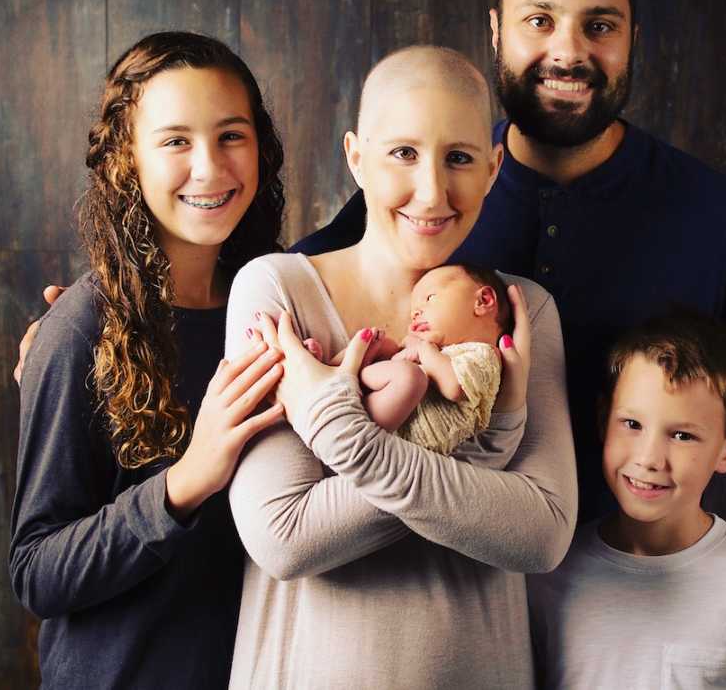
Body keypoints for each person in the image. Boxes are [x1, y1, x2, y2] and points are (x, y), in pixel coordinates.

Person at [293, 0, 726, 685]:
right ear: (497, 31)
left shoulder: (712, 217)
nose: (569, 50)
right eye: (539, 20)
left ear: (633, 38)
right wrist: (121, 308)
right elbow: (301, 279)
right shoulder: (436, 194)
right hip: (450, 604)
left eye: (600, 25)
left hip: (639, 610)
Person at [223, 45, 578, 689]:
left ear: (495, 168)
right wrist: (491, 444)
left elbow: (542, 533)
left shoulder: (520, 310)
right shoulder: (278, 292)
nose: (433, 191)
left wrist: (340, 431)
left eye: (460, 159)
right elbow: (286, 537)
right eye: (403, 154)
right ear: (356, 157)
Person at [9, 32, 287, 689]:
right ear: (126, 159)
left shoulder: (279, 305)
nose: (211, 168)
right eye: (175, 141)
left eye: (231, 135)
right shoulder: (78, 329)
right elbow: (35, 571)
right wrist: (185, 482)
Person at [529, 310, 726, 689]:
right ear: (602, 419)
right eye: (632, 425)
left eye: (682, 436)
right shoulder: (548, 574)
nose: (648, 459)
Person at [309, 262, 514, 454]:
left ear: (483, 300)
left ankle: (344, 375)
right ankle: (328, 368)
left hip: (393, 443)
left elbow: (454, 386)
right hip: (385, 419)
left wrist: (424, 350)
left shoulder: (485, 354)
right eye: (413, 311)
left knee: (408, 375)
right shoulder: (439, 352)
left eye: (430, 298)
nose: (416, 313)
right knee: (383, 345)